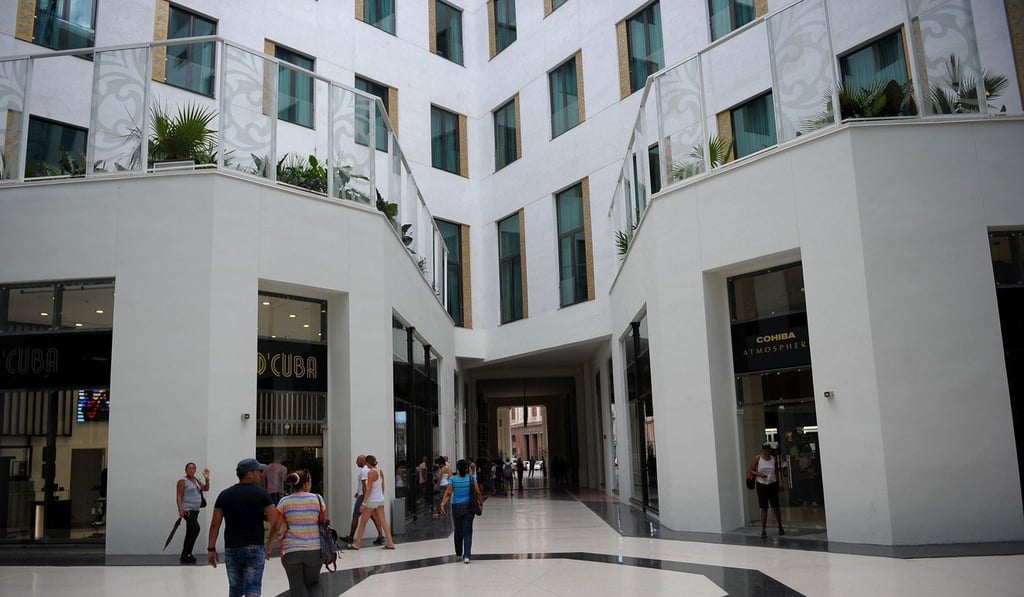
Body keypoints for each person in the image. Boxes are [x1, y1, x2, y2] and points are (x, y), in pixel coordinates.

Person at [207, 458, 280, 597]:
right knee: (253, 588)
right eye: (259, 471)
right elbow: (275, 521)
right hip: (255, 547)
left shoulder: (224, 495)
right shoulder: (262, 494)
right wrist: (269, 544)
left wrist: (211, 549)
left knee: (235, 590)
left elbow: (215, 524)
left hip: (232, 548)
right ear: (250, 474)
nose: (261, 475)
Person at [266, 469, 325, 597]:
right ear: (306, 484)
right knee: (313, 584)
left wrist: (269, 546)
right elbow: (323, 522)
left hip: (291, 550)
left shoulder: (284, 501)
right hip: (314, 550)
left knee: (296, 589)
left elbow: (276, 527)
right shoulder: (318, 499)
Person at [439, 459, 482, 564]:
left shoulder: (453, 479)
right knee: (467, 531)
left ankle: (458, 553)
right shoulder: (472, 478)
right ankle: (466, 556)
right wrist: (481, 503)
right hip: (468, 507)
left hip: (456, 507)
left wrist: (443, 504)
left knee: (458, 530)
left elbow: (448, 493)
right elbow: (478, 492)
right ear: (467, 468)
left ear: (457, 469)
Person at [348, 455, 395, 550]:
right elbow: (382, 485)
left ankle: (357, 544)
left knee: (363, 522)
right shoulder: (379, 471)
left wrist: (364, 503)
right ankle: (390, 543)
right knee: (383, 521)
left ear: (367, 462)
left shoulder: (370, 473)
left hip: (372, 501)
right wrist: (381, 495)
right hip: (380, 500)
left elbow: (369, 488)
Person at [342, 455, 384, 545]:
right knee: (373, 516)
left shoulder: (364, 471)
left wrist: (364, 500)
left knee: (355, 516)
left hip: (363, 497)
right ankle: (381, 536)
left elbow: (365, 486)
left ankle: (351, 538)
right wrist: (358, 492)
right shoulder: (370, 470)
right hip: (366, 496)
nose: (356, 462)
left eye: (357, 461)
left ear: (362, 461)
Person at [175, 462, 210, 564]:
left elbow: (206, 488)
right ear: (186, 470)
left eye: (193, 468)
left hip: (195, 510)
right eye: (189, 468)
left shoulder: (197, 480)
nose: (191, 470)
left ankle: (185, 555)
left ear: (195, 470)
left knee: (190, 531)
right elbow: (179, 496)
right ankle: (187, 553)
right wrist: (180, 510)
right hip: (187, 510)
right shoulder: (182, 481)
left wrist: (207, 479)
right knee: (196, 528)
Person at [750, 442, 785, 539]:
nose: (766, 451)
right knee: (764, 507)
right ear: (762, 450)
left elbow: (776, 471)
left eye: (768, 449)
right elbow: (751, 470)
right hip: (761, 484)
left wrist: (779, 482)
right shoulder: (758, 458)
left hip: (772, 483)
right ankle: (763, 530)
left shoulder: (773, 459)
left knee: (776, 506)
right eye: (765, 449)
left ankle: (780, 526)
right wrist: (759, 474)